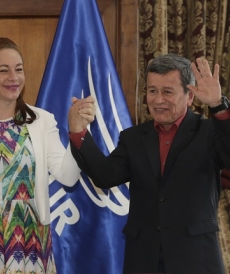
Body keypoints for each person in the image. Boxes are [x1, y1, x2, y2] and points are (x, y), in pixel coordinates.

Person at [0, 37, 95, 274]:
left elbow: (68, 177)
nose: (14, 78)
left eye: (19, 70)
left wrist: (77, 131)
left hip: (28, 241)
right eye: (4, 70)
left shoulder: (42, 120)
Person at [68, 54, 230, 273]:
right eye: (153, 91)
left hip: (195, 258)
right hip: (143, 258)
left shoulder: (209, 132)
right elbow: (105, 175)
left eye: (168, 91)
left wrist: (218, 107)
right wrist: (79, 133)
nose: (158, 99)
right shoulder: (133, 138)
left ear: (190, 96)